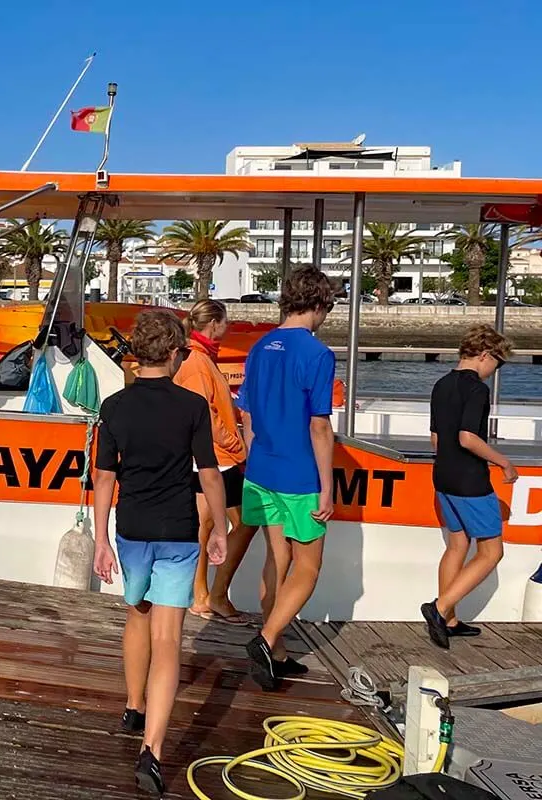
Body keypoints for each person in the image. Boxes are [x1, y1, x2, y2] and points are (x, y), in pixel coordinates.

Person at [93, 308, 228, 797]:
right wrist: (221, 528)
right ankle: (152, 749)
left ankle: (134, 705)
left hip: (131, 528)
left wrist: (101, 540)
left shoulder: (114, 407)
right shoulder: (191, 406)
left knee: (137, 612)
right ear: (174, 353)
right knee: (169, 639)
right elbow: (209, 473)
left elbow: (105, 476)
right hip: (177, 528)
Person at [236, 266, 337, 692]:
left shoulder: (260, 347)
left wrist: (253, 453)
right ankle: (266, 639)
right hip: (299, 475)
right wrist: (328, 486)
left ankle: (276, 654)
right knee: (309, 567)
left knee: (276, 560)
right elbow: (320, 427)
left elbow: (248, 413)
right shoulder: (317, 354)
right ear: (318, 305)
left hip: (262, 469)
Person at [421, 324, 515, 649]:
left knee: (457, 546)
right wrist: (503, 462)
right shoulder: (476, 389)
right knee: (492, 552)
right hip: (469, 479)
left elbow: (436, 439)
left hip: (442, 476)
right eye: (497, 364)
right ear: (486, 355)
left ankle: (448, 621)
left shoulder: (441, 384)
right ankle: (439, 608)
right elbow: (468, 437)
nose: (495, 371)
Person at [174, 299, 258, 625]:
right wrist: (235, 443)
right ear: (214, 324)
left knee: (204, 524)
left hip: (210, 456)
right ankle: (213, 594)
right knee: (246, 521)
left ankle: (203, 595)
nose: (229, 328)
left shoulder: (198, 357)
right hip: (216, 458)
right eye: (226, 322)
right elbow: (203, 415)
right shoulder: (197, 361)